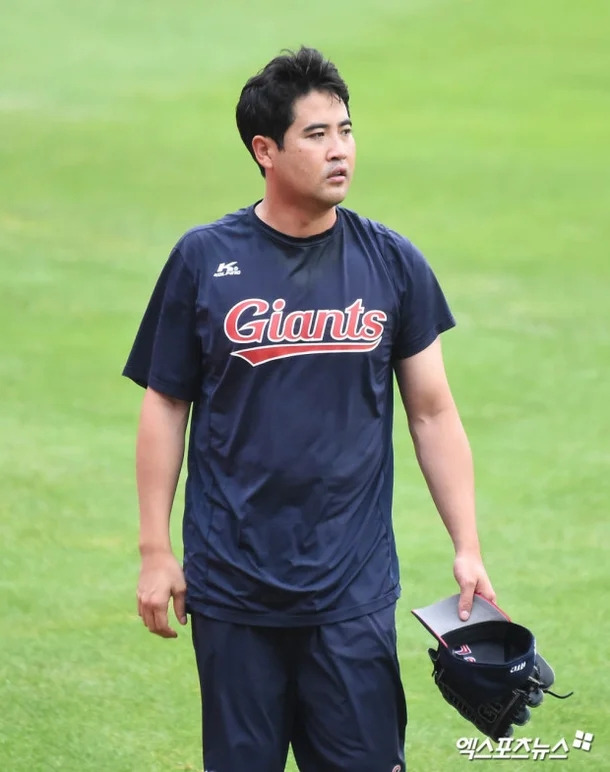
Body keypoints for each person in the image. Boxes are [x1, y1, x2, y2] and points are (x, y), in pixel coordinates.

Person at [123, 46, 495, 772]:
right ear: (265, 150)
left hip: (352, 591)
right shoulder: (203, 259)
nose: (339, 150)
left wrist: (468, 545)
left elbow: (432, 413)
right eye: (317, 134)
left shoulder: (392, 261)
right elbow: (165, 404)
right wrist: (154, 550)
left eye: (346, 131)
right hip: (233, 586)